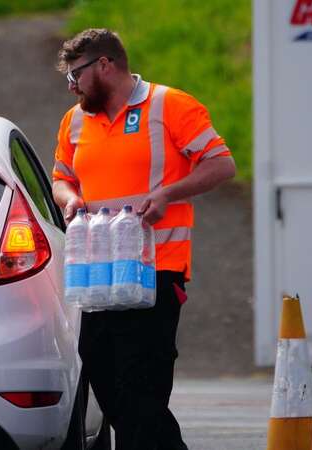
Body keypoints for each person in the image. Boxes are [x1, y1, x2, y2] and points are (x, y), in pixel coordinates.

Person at [51, 28, 236, 450]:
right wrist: (71, 199)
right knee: (107, 384)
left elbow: (221, 165)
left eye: (76, 75)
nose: (72, 86)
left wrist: (169, 193)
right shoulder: (75, 120)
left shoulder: (170, 105)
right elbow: (62, 177)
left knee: (140, 391)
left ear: (105, 65)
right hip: (98, 277)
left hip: (156, 271)